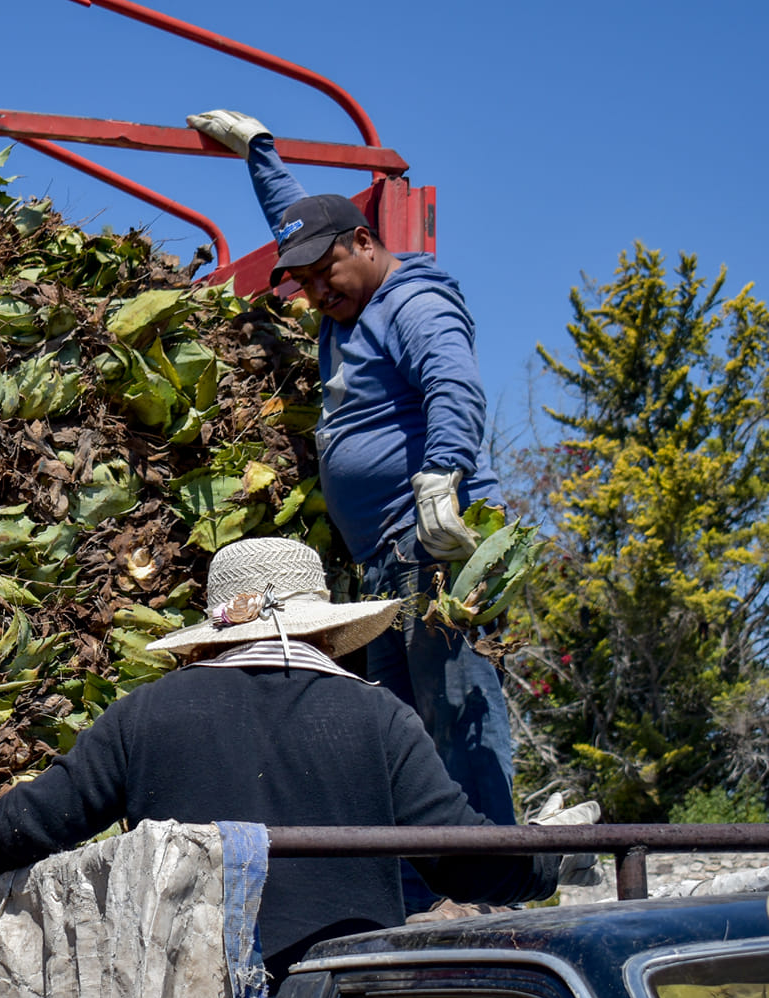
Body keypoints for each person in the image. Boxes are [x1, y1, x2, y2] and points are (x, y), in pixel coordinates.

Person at [0, 539, 560, 980]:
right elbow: (466, 857)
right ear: (327, 629)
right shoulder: (378, 717)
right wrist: (552, 856)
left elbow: (42, 815)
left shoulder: (148, 713)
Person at [187, 109, 520, 850]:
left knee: (455, 704)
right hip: (385, 556)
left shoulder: (412, 300)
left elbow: (453, 384)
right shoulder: (347, 292)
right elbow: (298, 220)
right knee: (398, 726)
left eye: (322, 273)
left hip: (428, 542)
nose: (312, 292)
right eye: (299, 281)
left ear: (365, 243)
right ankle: (425, 879)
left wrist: (442, 477)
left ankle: (498, 870)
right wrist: (260, 153)